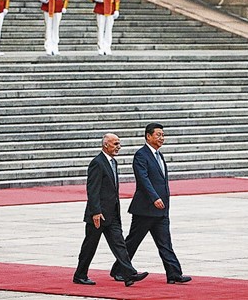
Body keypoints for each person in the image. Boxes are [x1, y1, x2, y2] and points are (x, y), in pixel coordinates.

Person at [110, 123, 192, 285]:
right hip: (145, 209)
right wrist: (155, 198)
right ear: (148, 136)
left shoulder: (159, 155)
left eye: (163, 135)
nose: (162, 138)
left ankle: (174, 274)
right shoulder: (141, 155)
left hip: (161, 210)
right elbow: (143, 179)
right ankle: (119, 269)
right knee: (133, 241)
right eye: (158, 135)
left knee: (165, 243)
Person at [73, 133, 149, 287]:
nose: (118, 147)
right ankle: (80, 275)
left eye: (119, 144)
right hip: (98, 214)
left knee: (119, 244)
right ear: (105, 145)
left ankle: (129, 274)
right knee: (90, 245)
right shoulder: (97, 163)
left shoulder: (113, 162)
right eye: (115, 144)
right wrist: (95, 211)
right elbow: (92, 189)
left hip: (112, 213)